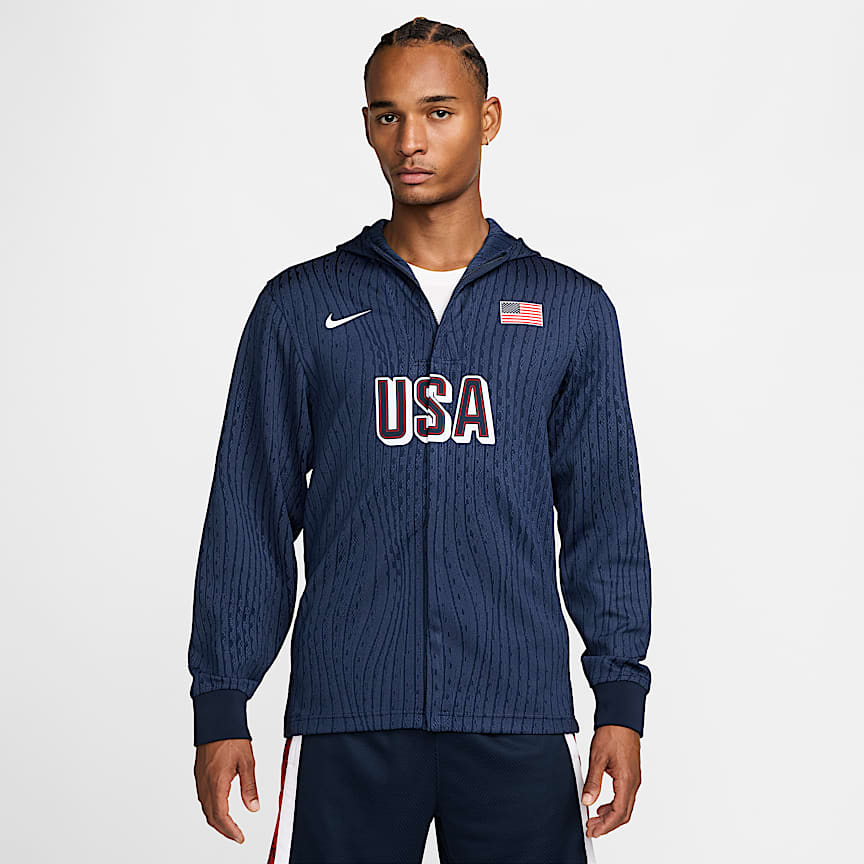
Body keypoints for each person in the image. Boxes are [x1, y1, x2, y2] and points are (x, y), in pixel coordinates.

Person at [188, 16, 652, 864]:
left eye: (439, 111)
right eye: (388, 115)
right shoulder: (301, 307)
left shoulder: (570, 311)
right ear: (367, 126)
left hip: (515, 710)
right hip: (350, 715)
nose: (411, 140)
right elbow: (250, 511)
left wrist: (619, 697)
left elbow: (605, 518)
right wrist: (222, 700)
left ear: (488, 118)